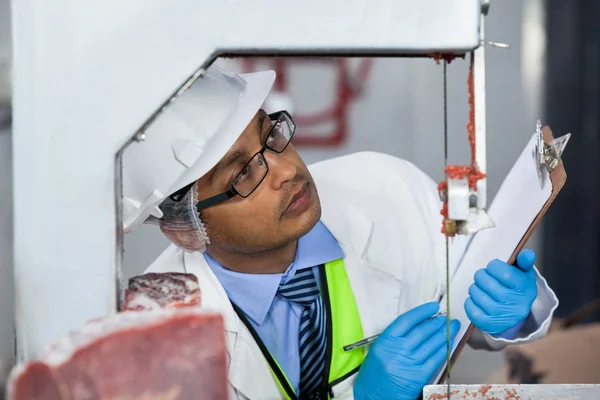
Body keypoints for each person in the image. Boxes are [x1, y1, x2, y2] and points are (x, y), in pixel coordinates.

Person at [122, 63, 558, 400]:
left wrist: (519, 310)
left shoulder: (386, 187)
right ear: (187, 229)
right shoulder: (158, 331)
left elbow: (475, 311)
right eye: (242, 175)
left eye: (271, 136)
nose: (287, 170)